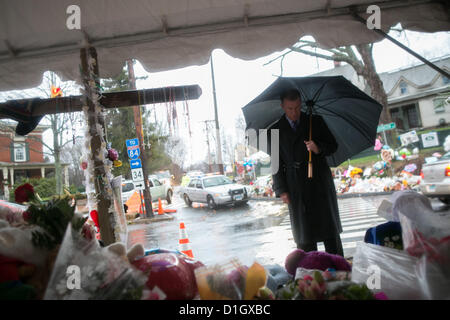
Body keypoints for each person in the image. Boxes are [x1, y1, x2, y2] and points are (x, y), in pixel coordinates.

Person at [271, 89, 344, 256]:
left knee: (329, 232)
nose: (294, 112)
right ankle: (310, 272)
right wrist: (281, 190)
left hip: (320, 183)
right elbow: (275, 163)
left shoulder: (315, 121)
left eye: (297, 107)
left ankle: (339, 269)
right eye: (290, 108)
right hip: (296, 186)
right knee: (304, 236)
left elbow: (333, 145)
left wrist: (318, 148)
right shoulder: (275, 131)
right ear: (283, 106)